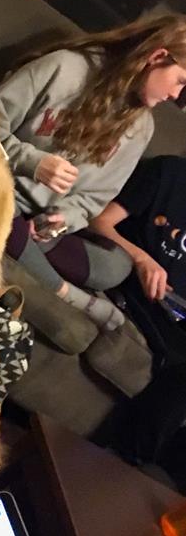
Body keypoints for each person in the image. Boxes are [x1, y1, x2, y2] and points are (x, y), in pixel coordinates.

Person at [0, 15, 186, 330]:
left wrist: (63, 219)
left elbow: (95, 199)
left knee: (115, 267)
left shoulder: (142, 128)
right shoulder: (66, 68)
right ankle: (62, 292)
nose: (177, 95)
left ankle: (20, 247)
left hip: (38, 225)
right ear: (158, 57)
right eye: (181, 80)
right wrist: (32, 162)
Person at [89, 156, 186, 482]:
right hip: (137, 289)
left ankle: (165, 480)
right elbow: (99, 222)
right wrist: (142, 259)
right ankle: (124, 463)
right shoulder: (168, 173)